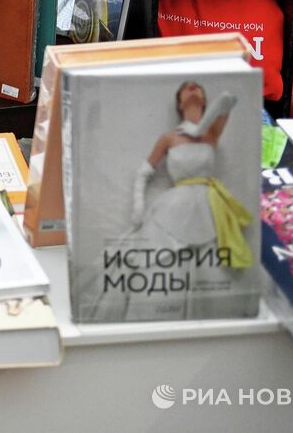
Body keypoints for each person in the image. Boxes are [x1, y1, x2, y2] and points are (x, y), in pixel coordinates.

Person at [90, 81, 251, 322]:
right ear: (179, 103)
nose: (192, 87)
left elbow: (229, 99)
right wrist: (138, 206)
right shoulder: (169, 138)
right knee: (159, 261)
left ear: (205, 100)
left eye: (197, 87)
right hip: (174, 206)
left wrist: (199, 128)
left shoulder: (211, 133)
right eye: (186, 88)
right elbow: (143, 173)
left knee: (213, 264)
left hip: (209, 207)